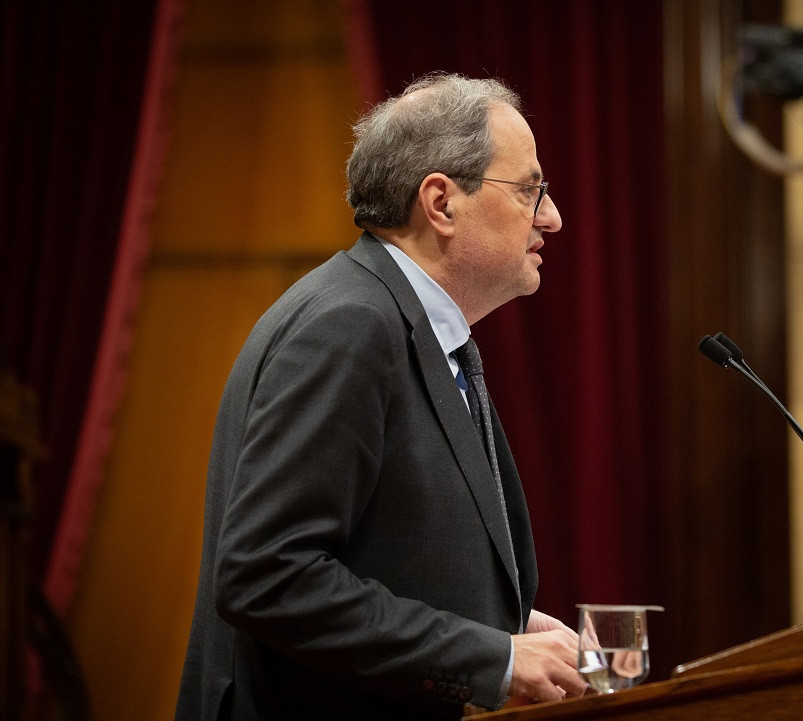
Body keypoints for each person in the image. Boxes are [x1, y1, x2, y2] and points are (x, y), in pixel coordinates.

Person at [174, 73, 588, 721]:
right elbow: (268, 575)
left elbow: (383, 549)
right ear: (441, 202)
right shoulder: (349, 324)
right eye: (529, 188)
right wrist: (489, 657)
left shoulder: (412, 325)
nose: (551, 216)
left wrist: (502, 626)